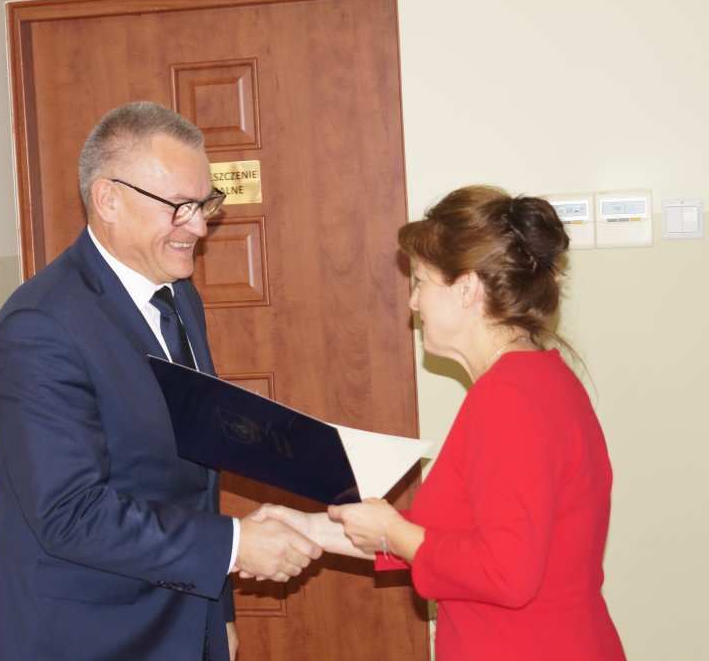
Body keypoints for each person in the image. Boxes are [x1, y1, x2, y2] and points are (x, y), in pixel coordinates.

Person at [0, 101, 321, 661]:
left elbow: (194, 476)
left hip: (181, 623)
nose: (199, 226)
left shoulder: (179, 297)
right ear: (108, 199)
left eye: (204, 204)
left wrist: (216, 614)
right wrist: (235, 546)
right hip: (80, 637)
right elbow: (70, 514)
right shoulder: (39, 327)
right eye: (179, 206)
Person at [256, 185, 626, 659]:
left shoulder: (510, 399)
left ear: (466, 288)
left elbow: (505, 573)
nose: (413, 302)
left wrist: (391, 532)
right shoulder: (536, 380)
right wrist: (304, 528)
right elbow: (445, 541)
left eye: (421, 281)